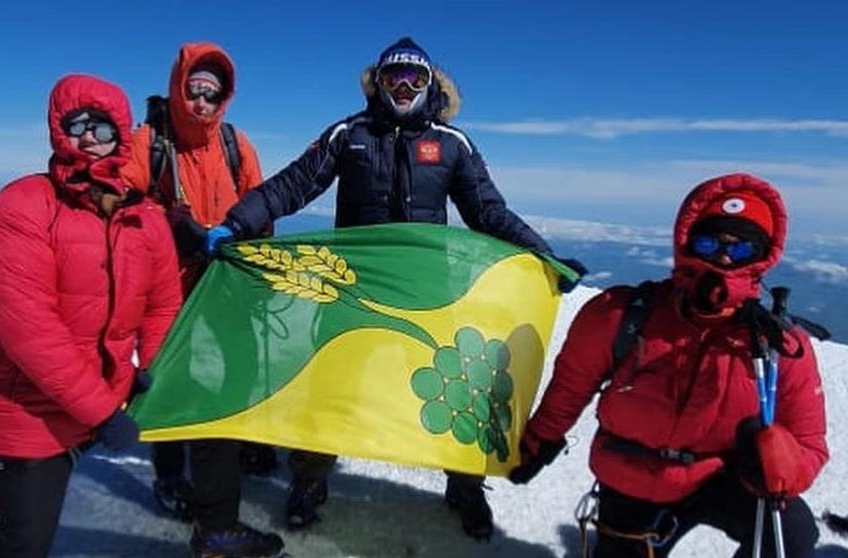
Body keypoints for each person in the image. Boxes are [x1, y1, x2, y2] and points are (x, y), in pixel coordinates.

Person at [205, 36, 585, 540]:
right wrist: (238, 222)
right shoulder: (350, 134)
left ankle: (463, 483)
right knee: (330, 385)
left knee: (458, 385)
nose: (403, 88)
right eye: (392, 78)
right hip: (349, 288)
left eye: (414, 79)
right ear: (377, 82)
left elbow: (487, 211)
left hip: (431, 292)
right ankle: (310, 479)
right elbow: (294, 184)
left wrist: (543, 254)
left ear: (430, 85)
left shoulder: (453, 144)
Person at [510, 173, 828, 557]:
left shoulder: (778, 345)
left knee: (790, 536)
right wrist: (538, 442)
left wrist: (785, 467)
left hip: (722, 476)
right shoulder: (622, 315)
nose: (724, 256)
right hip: (633, 475)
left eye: (741, 247)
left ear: (762, 256)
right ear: (687, 241)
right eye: (709, 242)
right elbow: (569, 390)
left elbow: (810, 443)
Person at [0, 74, 183, 558]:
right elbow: (29, 334)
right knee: (24, 544)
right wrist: (104, 412)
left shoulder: (144, 217)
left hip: (103, 395)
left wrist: (151, 366)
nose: (88, 135)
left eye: (103, 126)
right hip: (32, 412)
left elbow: (163, 302)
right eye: (76, 123)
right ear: (57, 130)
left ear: (122, 134)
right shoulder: (22, 207)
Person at [120, 42, 284, 558]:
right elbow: (121, 204)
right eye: (194, 90)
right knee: (172, 380)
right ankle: (172, 478)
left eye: (213, 93)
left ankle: (245, 446)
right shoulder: (147, 142)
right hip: (167, 287)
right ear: (178, 87)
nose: (202, 103)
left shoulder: (236, 145)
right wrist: (173, 226)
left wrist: (251, 241)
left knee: (239, 369)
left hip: (227, 286)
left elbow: (261, 203)